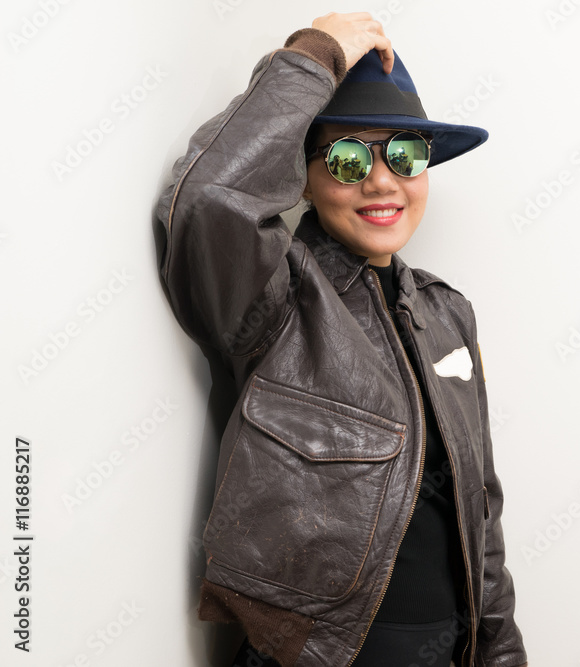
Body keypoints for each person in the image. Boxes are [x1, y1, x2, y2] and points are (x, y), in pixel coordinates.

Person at [154, 11, 527, 667]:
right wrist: (315, 55)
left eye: (406, 154)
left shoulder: (448, 313)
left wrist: (500, 654)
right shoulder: (277, 296)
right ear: (302, 177)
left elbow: (481, 512)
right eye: (348, 158)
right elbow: (210, 200)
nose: (382, 180)